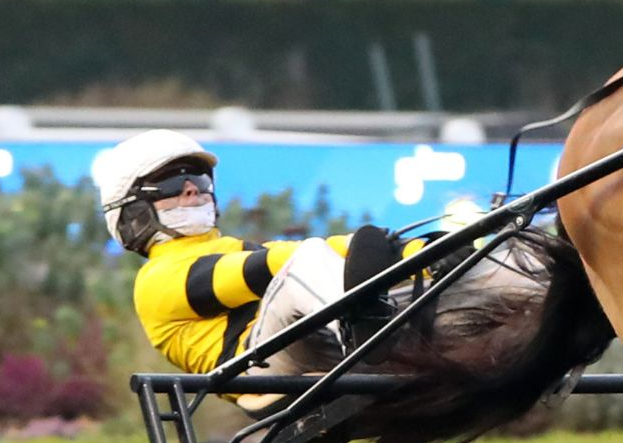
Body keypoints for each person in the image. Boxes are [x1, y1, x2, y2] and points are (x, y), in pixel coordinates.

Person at [93, 129, 414, 412]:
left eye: (200, 180)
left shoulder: (239, 248)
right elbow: (255, 270)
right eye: (172, 184)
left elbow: (330, 250)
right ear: (133, 212)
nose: (193, 190)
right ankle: (370, 334)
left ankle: (398, 326)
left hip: (306, 339)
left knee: (430, 273)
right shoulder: (154, 281)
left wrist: (408, 250)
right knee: (305, 261)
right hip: (255, 369)